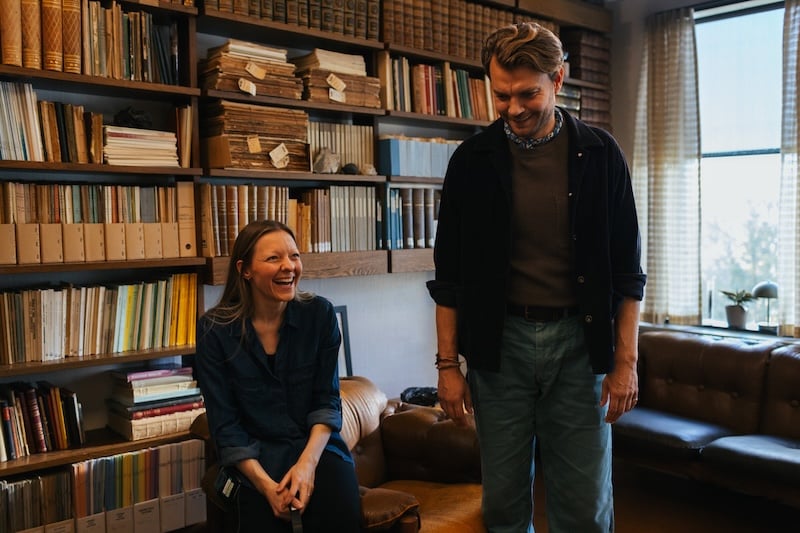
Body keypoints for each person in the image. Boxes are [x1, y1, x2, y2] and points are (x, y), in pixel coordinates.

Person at [426, 22, 647, 533]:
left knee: (585, 505)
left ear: (559, 79)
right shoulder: (471, 162)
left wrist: (625, 362)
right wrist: (446, 365)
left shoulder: (600, 154)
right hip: (500, 347)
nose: (513, 108)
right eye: (501, 95)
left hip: (580, 344)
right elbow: (449, 276)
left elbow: (628, 273)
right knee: (503, 503)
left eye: (528, 93)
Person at [195, 220, 361, 532]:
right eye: (274, 258)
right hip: (255, 456)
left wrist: (307, 465)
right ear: (245, 270)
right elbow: (225, 424)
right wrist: (265, 486)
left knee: (339, 508)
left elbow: (326, 401)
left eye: (294, 256)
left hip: (317, 449)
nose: (289, 267)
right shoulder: (214, 331)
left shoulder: (320, 315)